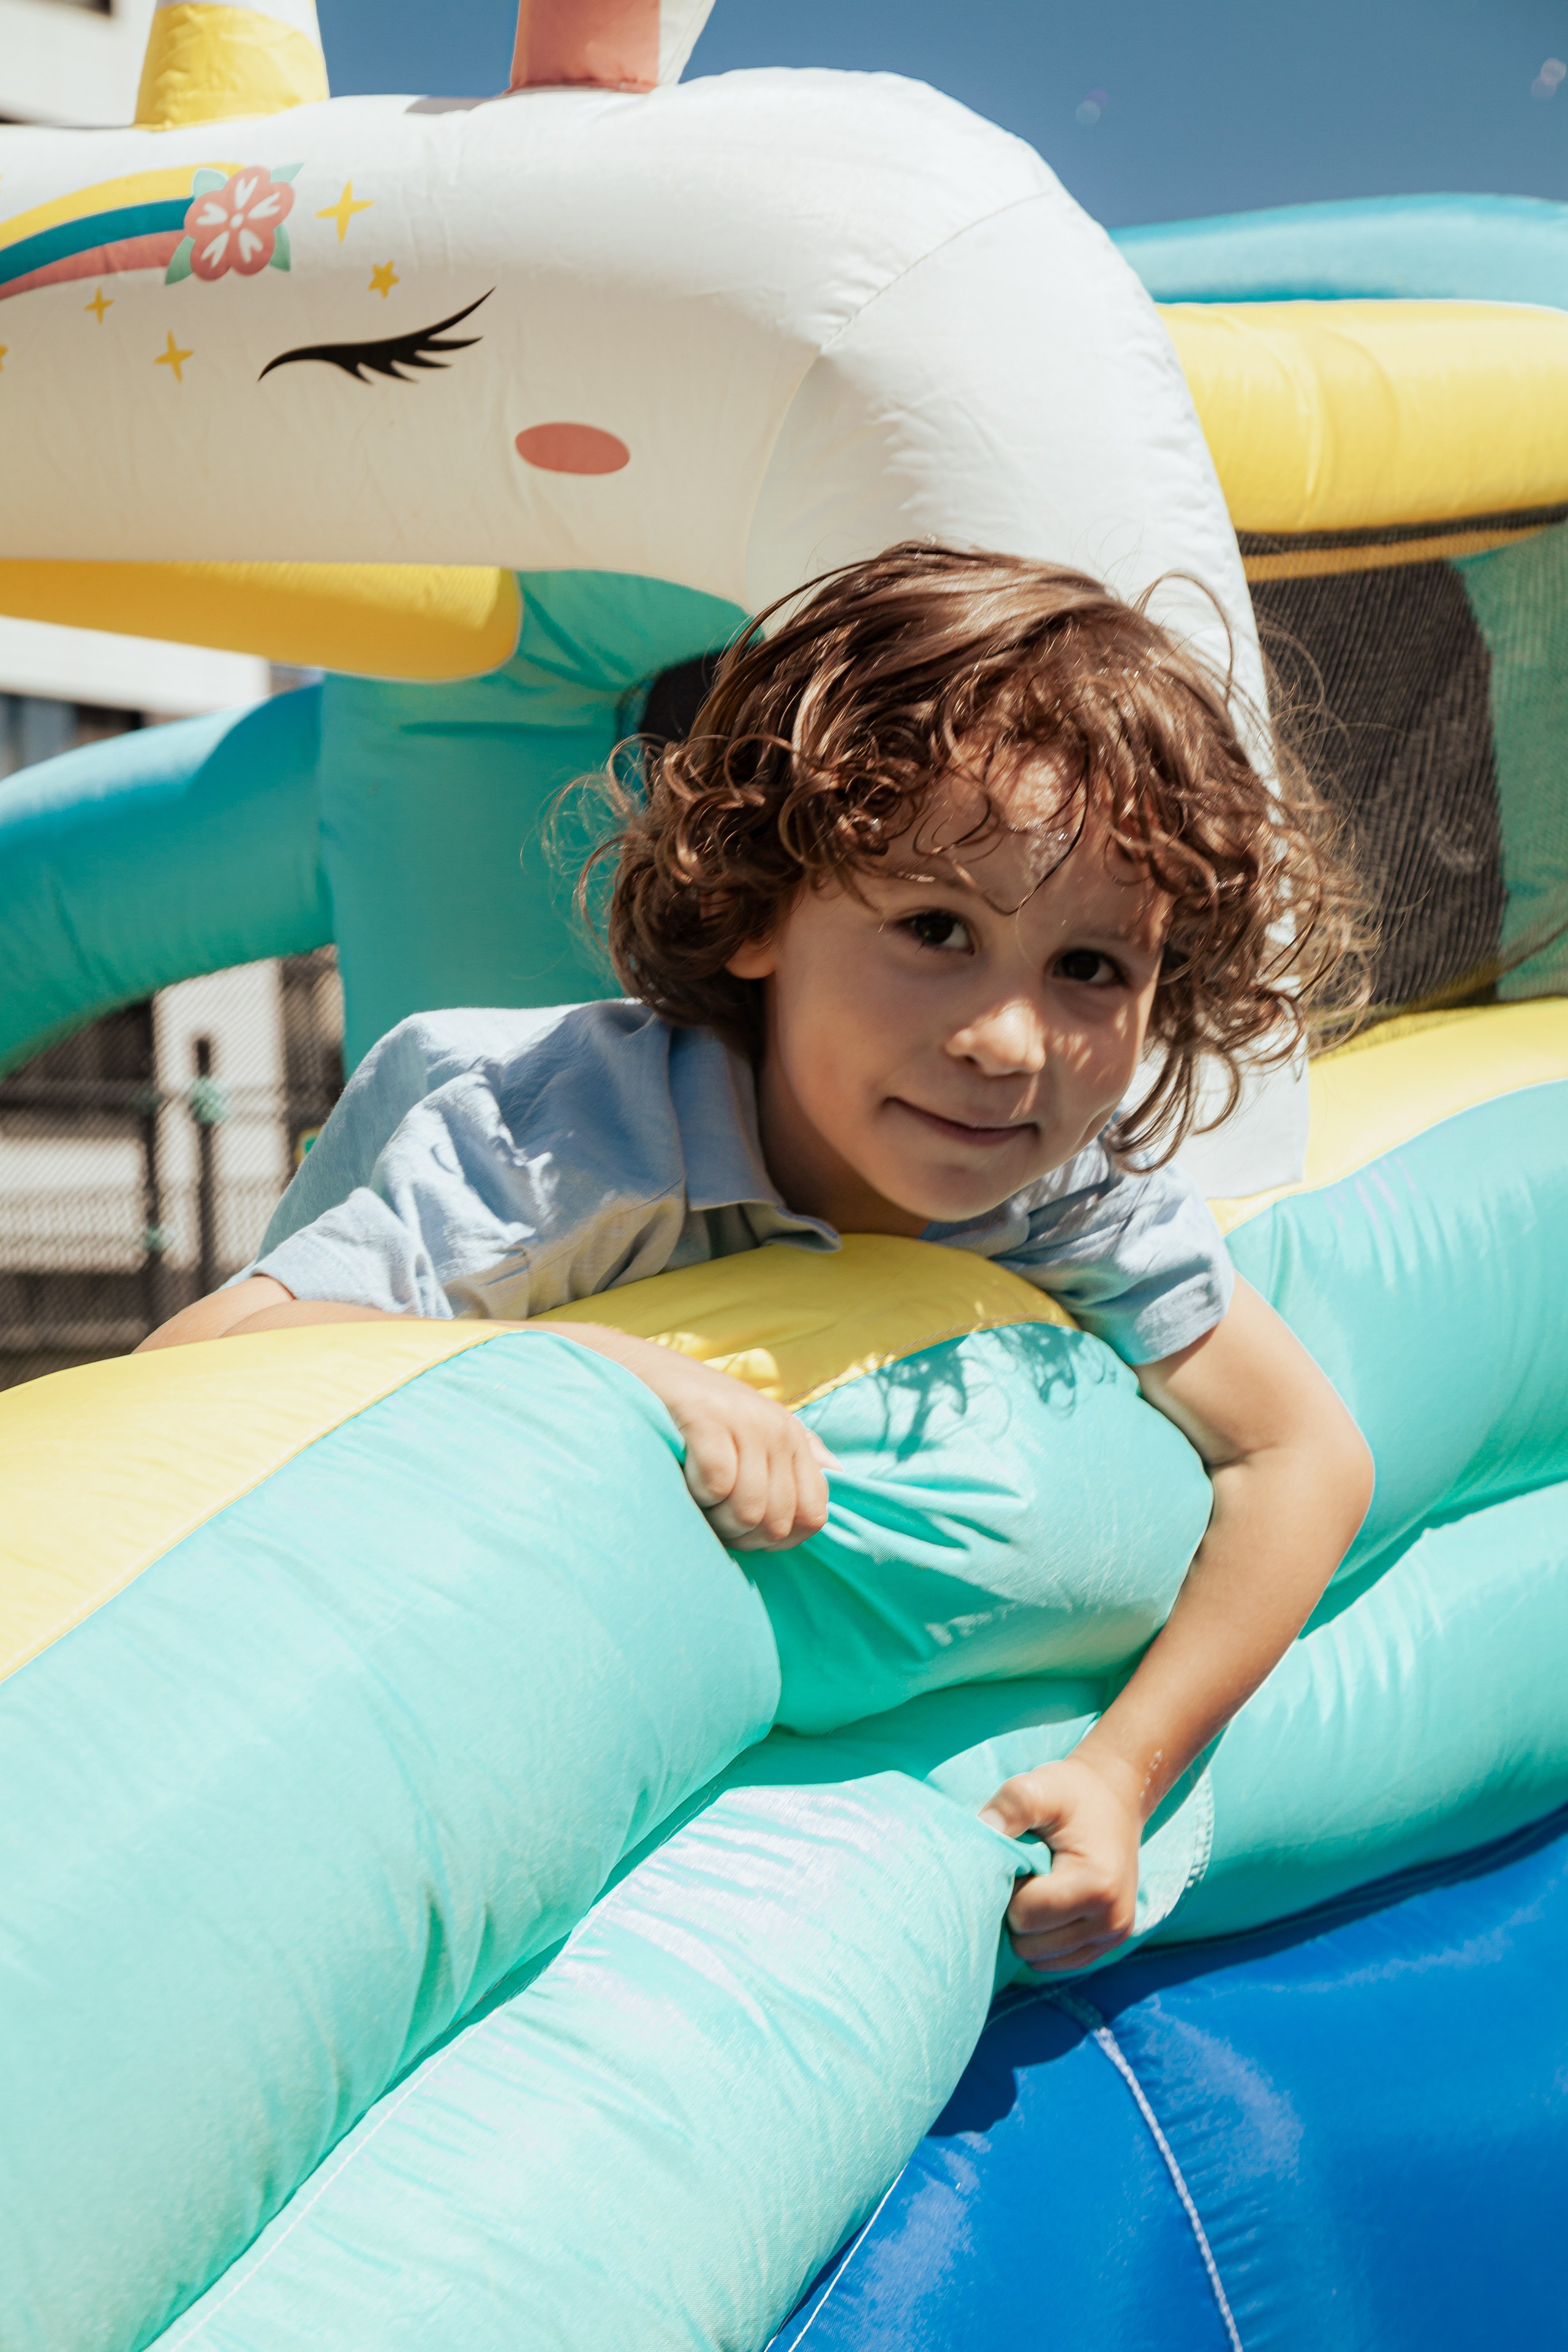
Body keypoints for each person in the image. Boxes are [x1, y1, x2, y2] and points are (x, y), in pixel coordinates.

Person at [140, 543, 1374, 1974]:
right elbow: (198, 1359)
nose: (1005, 1042)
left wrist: (1121, 1771)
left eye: (1089, 969)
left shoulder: (1062, 1187)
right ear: (758, 913)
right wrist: (586, 1369)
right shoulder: (568, 1147)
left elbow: (1300, 1458)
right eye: (934, 930)